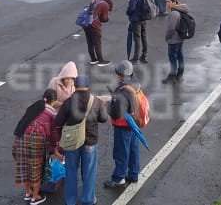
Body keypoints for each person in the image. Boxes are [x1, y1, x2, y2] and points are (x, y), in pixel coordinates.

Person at [54, 75, 108, 205]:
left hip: (72, 142)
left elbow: (58, 121)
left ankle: (71, 201)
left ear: (75, 87)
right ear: (88, 86)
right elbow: (104, 118)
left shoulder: (68, 102)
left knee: (71, 171)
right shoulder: (96, 101)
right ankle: (88, 199)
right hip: (90, 142)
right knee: (89, 172)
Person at [13, 88, 61, 205]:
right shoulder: (52, 113)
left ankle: (28, 193)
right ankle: (35, 196)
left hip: (20, 138)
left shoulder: (33, 107)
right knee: (36, 168)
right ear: (53, 101)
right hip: (35, 139)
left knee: (25, 166)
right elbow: (54, 134)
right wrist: (55, 148)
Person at [104, 61, 141, 190]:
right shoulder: (135, 84)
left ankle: (119, 178)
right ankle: (133, 173)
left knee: (121, 152)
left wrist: (108, 104)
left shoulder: (123, 90)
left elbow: (115, 113)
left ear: (121, 75)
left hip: (123, 125)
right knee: (133, 149)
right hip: (134, 123)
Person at [163, 0, 190, 83]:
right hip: (180, 38)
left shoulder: (174, 13)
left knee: (173, 58)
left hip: (173, 39)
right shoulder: (181, 10)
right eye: (167, 2)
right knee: (180, 56)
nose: (167, 4)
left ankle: (172, 75)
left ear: (174, 2)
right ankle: (180, 74)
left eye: (169, 2)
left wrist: (167, 37)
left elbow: (171, 28)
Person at [125, 0, 150, 64]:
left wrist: (127, 13)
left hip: (136, 19)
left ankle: (136, 58)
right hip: (145, 17)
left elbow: (131, 8)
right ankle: (144, 56)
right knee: (144, 36)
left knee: (137, 38)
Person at [82, 0, 112, 66]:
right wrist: (106, 19)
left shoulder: (96, 2)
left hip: (86, 24)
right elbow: (104, 18)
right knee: (97, 43)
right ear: (109, 5)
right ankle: (101, 61)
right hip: (94, 26)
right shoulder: (105, 5)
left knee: (90, 43)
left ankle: (93, 60)